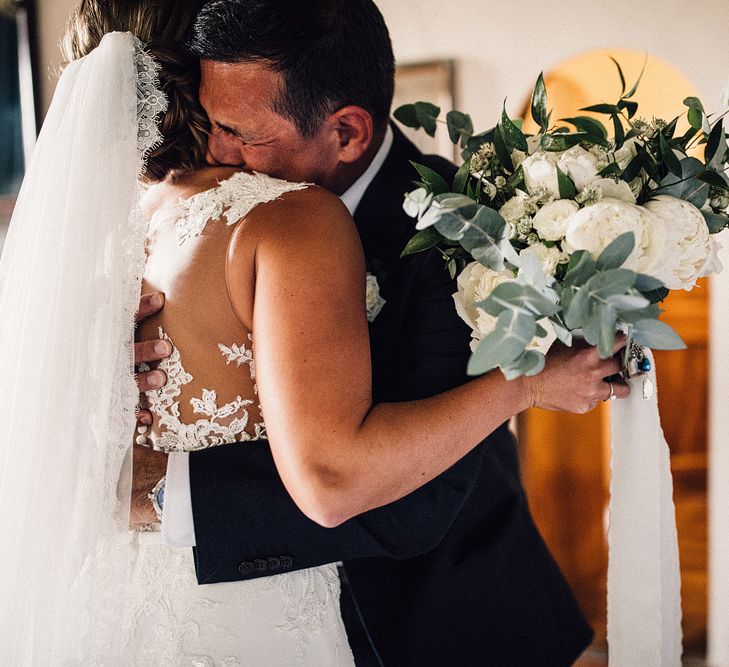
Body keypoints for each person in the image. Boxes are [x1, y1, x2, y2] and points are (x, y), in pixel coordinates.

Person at [124, 1, 630, 665]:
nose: (218, 152)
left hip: (448, 625)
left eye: (240, 132)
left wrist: (166, 491)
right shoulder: (221, 212)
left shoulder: (462, 240)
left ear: (348, 133)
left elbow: (407, 503)